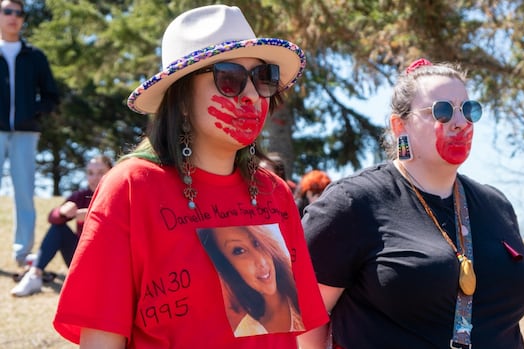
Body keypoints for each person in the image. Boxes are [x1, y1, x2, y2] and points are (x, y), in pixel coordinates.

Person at [53, 5, 327, 348]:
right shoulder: (131, 187)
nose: (251, 95)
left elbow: (304, 334)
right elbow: (101, 337)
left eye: (263, 78)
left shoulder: (275, 192)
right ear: (180, 99)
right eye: (229, 78)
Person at [298, 58, 524, 348]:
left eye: (468, 110)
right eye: (442, 111)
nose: (460, 123)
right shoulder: (353, 202)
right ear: (400, 126)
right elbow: (303, 318)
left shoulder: (496, 205)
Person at [0, 0, 59, 268]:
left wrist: (32, 113)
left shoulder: (35, 56)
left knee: (24, 194)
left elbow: (51, 95)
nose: (13, 17)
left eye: (19, 13)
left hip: (25, 133)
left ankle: (23, 253)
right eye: (7, 11)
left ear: (24, 19)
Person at [10, 155, 113, 297]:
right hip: (82, 260)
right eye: (90, 173)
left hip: (109, 264)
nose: (95, 177)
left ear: (111, 173)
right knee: (58, 229)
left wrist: (93, 216)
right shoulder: (81, 196)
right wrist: (61, 213)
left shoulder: (118, 195)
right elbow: (52, 218)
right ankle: (34, 275)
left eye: (101, 172)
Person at [197, 224, 304, 336]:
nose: (261, 261)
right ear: (228, 267)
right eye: (239, 251)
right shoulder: (246, 333)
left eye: (256, 243)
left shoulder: (304, 288)